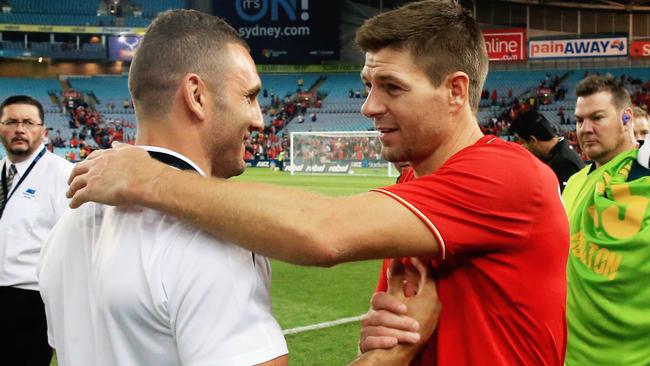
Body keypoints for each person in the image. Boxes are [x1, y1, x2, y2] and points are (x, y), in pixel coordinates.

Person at [66, 1, 568, 364]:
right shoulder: (413, 188)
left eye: (391, 87)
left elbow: (324, 232)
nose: (370, 106)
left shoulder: (508, 176)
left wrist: (150, 179)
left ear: (456, 91)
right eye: (368, 86)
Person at [38, 11, 289, 366]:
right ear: (196, 95)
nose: (259, 118)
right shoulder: (213, 234)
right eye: (249, 96)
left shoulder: (66, 228)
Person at [563, 75, 650, 365]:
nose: (585, 129)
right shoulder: (574, 183)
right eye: (579, 120)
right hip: (571, 356)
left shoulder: (642, 175)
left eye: (597, 118)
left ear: (627, 118)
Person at [0, 95, 72, 365]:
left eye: (28, 122)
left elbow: (71, 247)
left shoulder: (63, 174)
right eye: (11, 121)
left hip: (30, 301)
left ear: (43, 130)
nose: (20, 128)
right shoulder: (0, 172)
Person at [509, 110, 585, 191]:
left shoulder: (565, 163)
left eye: (523, 142)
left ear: (533, 140)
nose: (522, 147)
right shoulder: (552, 155)